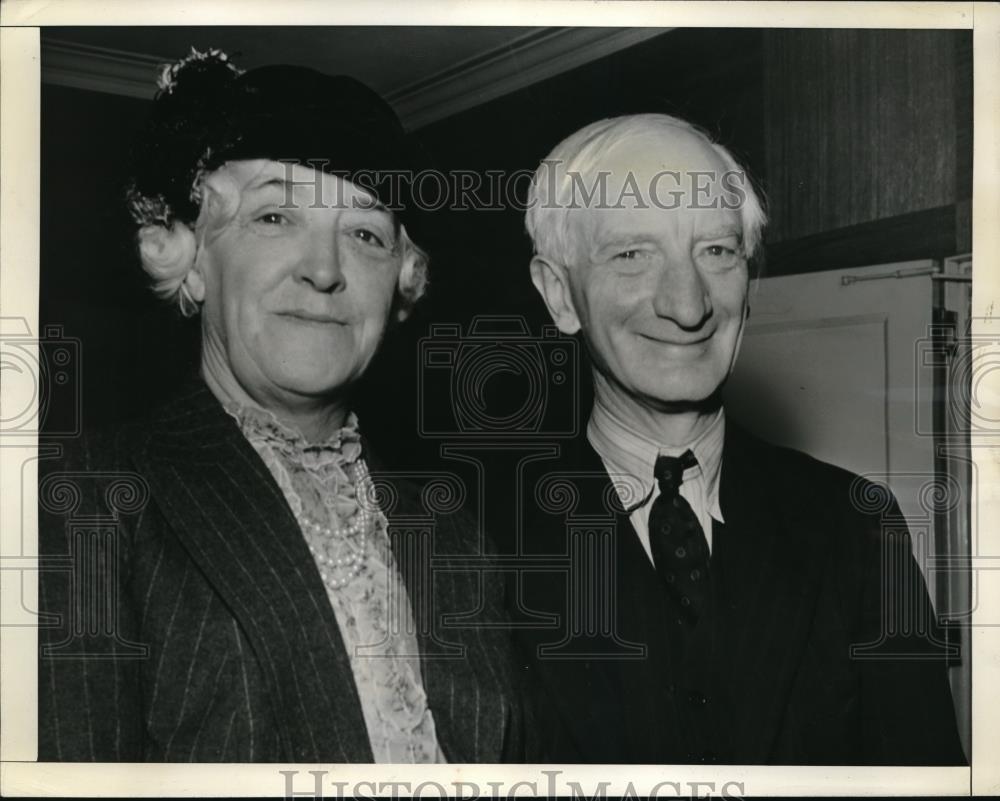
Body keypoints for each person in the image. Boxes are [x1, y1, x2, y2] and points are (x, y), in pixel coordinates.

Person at [37, 49, 527, 763]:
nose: (325, 270)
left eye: (365, 233)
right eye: (274, 216)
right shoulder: (90, 500)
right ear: (192, 259)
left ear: (401, 284)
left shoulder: (448, 523)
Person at [511, 113, 966, 765]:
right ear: (560, 295)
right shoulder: (485, 546)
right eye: (633, 254)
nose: (688, 303)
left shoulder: (857, 529)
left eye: (716, 250)